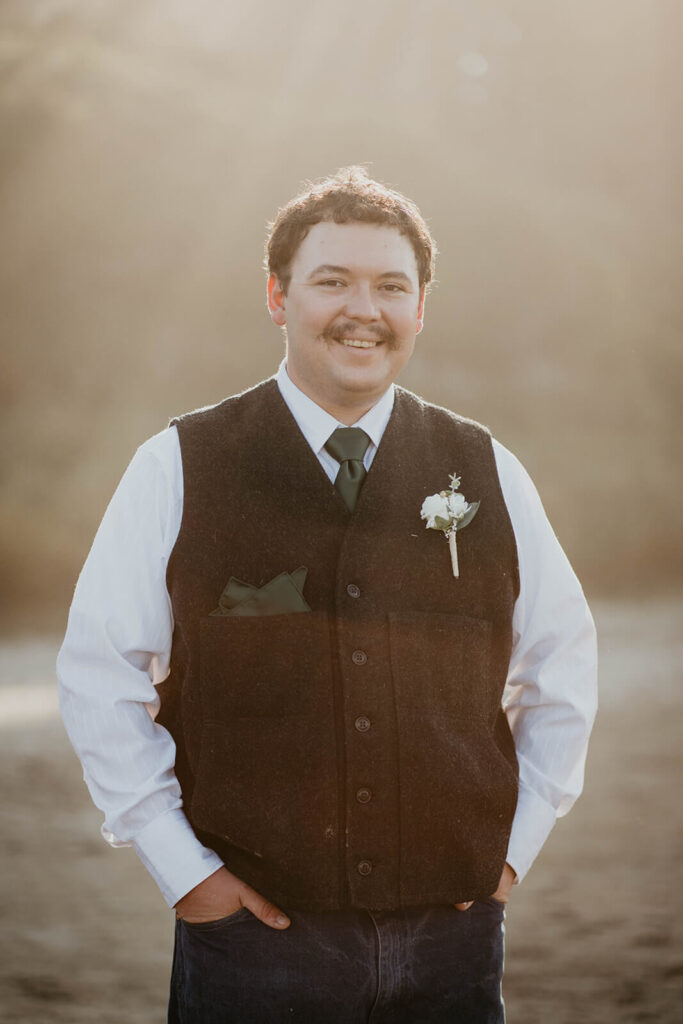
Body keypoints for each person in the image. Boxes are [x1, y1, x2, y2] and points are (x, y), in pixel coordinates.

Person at [57, 166, 597, 1023]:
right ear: (277, 297)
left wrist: (508, 857)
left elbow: (560, 666)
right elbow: (98, 675)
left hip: (450, 947)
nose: (364, 309)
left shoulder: (486, 468)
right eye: (331, 281)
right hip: (255, 950)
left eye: (391, 286)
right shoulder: (179, 465)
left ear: (420, 307)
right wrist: (186, 874)